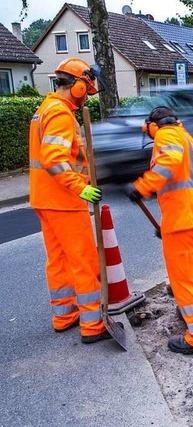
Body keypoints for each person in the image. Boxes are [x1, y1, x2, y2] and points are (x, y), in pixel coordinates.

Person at [29, 58, 111, 343]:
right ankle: (92, 324)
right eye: (86, 88)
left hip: (45, 198)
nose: (86, 94)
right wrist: (81, 188)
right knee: (84, 259)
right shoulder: (61, 115)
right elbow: (54, 160)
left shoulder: (44, 110)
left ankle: (64, 315)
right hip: (64, 200)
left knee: (59, 260)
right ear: (76, 86)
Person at [125, 106, 193, 354]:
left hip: (183, 219)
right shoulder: (190, 140)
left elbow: (168, 162)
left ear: (153, 125)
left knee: (183, 278)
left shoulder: (166, 134)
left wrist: (142, 186)